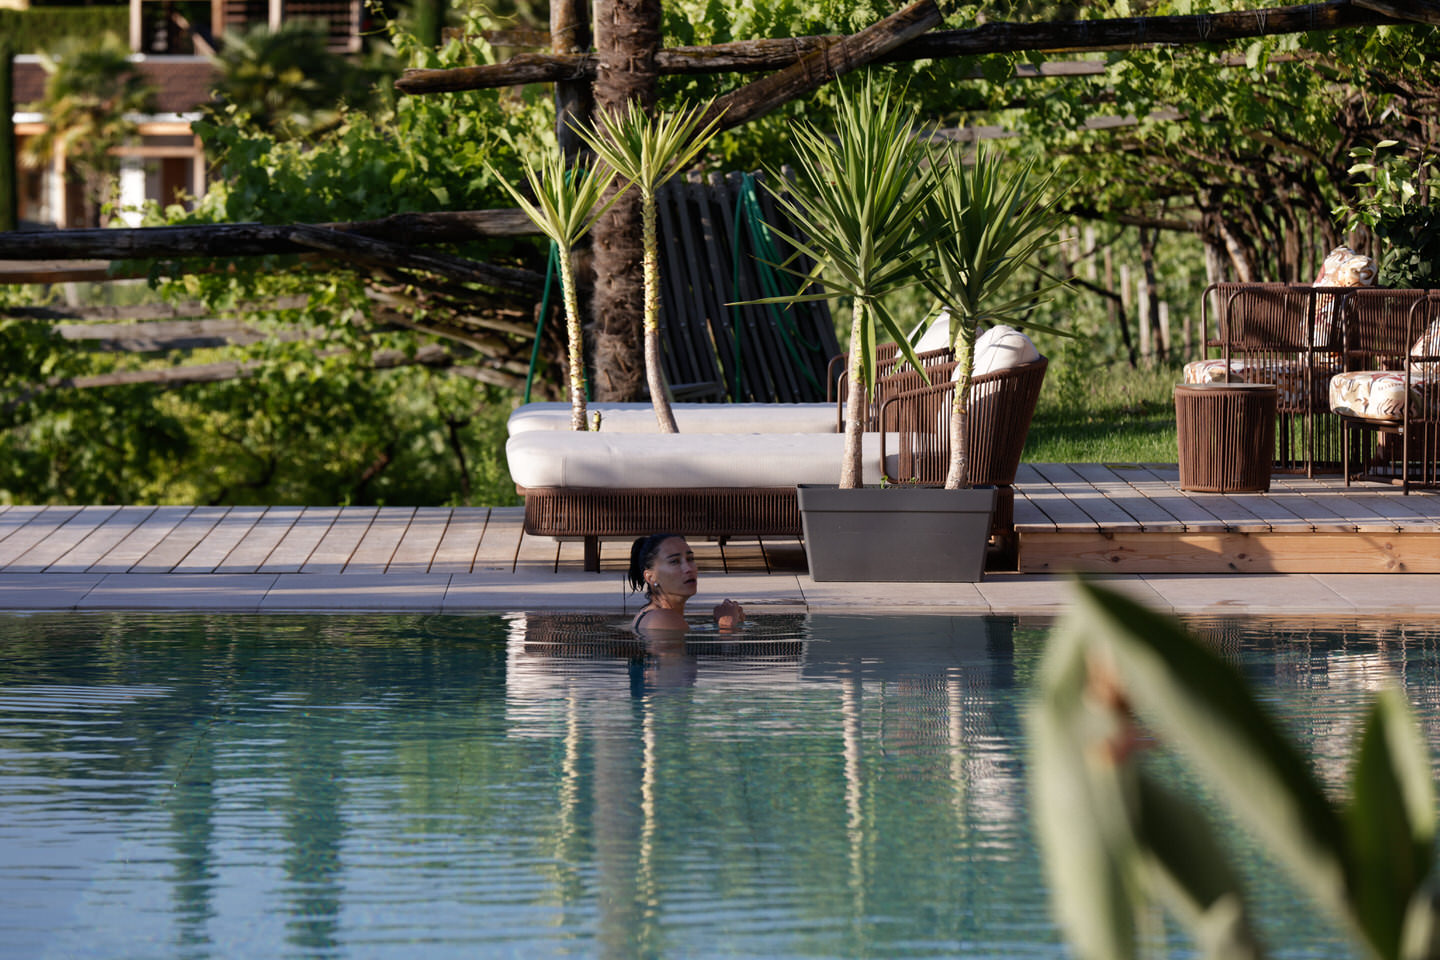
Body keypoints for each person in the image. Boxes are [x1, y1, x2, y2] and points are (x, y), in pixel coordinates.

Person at [627, 533, 744, 635]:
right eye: (674, 561)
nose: (688, 568)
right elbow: (678, 661)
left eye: (690, 558)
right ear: (650, 577)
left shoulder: (656, 615)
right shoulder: (664, 620)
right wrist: (728, 626)